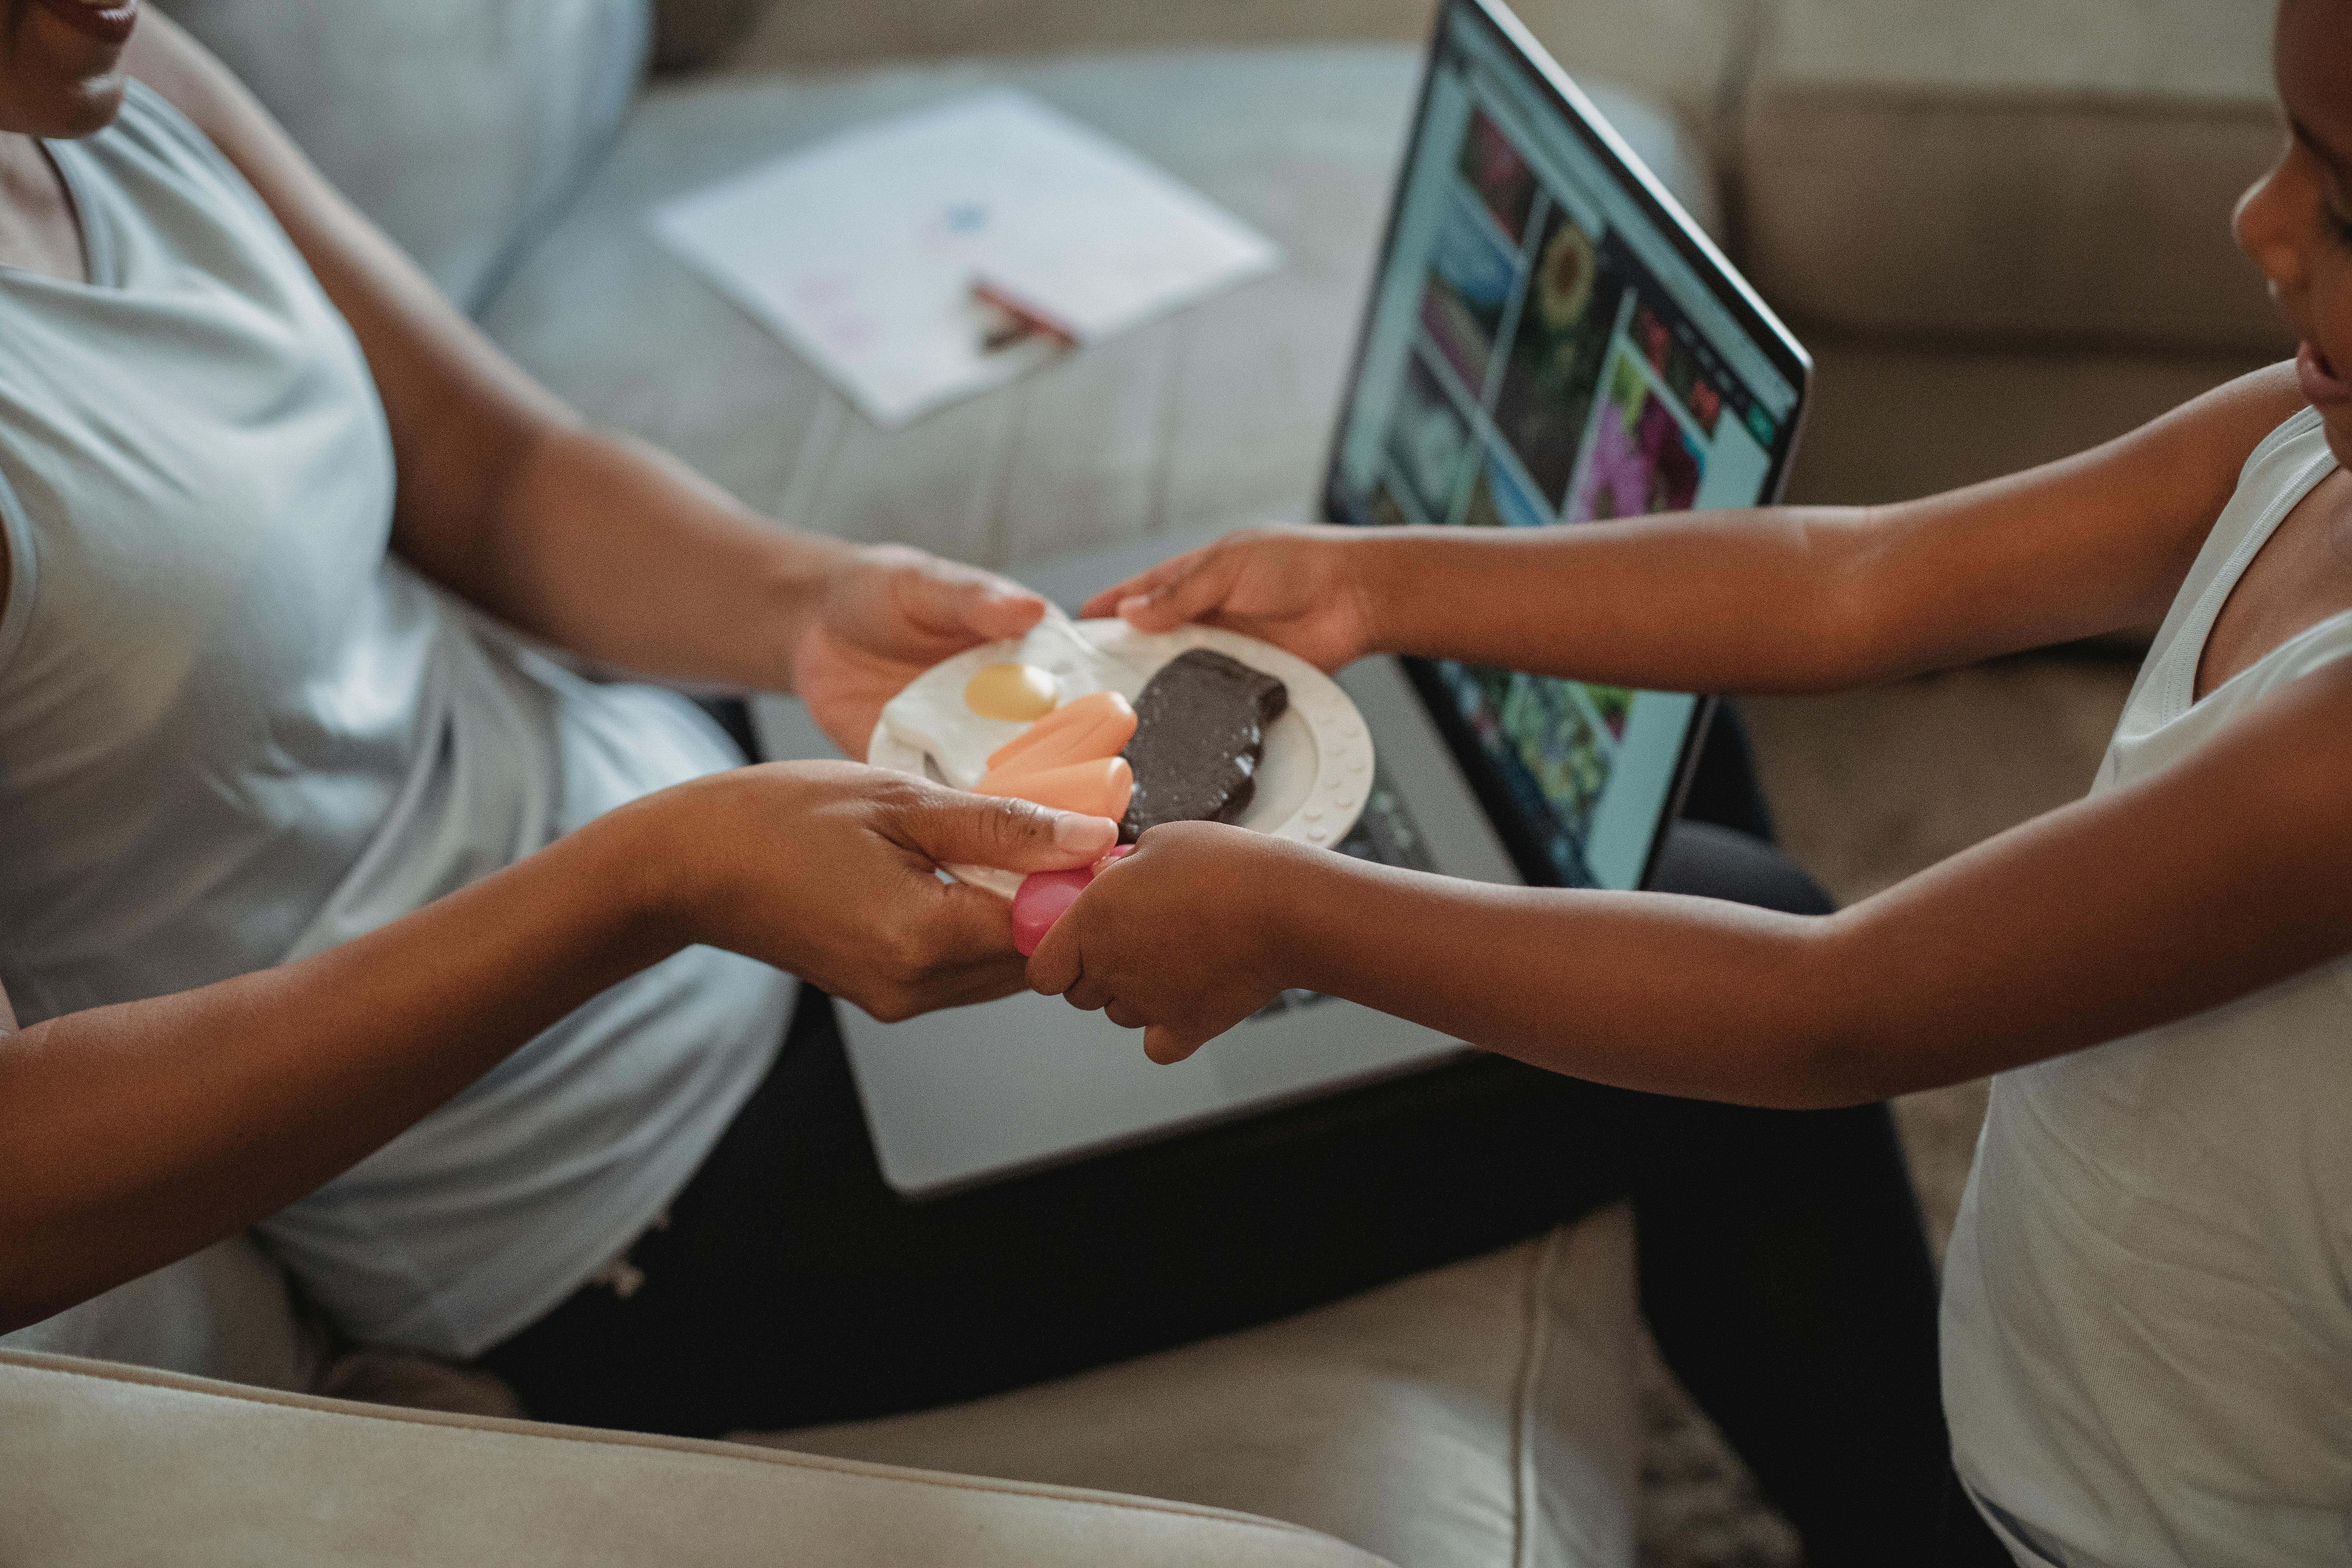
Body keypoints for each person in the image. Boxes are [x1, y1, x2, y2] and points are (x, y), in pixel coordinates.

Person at [0, 7, 1962, 1564]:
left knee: (1631, 728)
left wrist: (806, 608)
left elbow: (498, 475)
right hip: (614, 1193)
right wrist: (641, 886)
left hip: (710, 816)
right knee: (1745, 950)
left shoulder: (116, 73)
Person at [1033, 2, 2352, 1562]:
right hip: (2051, 1407)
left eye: (2341, 197)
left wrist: (1302, 921)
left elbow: (1835, 1013)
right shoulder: (2300, 441)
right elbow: (1859, 579)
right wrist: (1378, 584)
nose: (2257, 220)